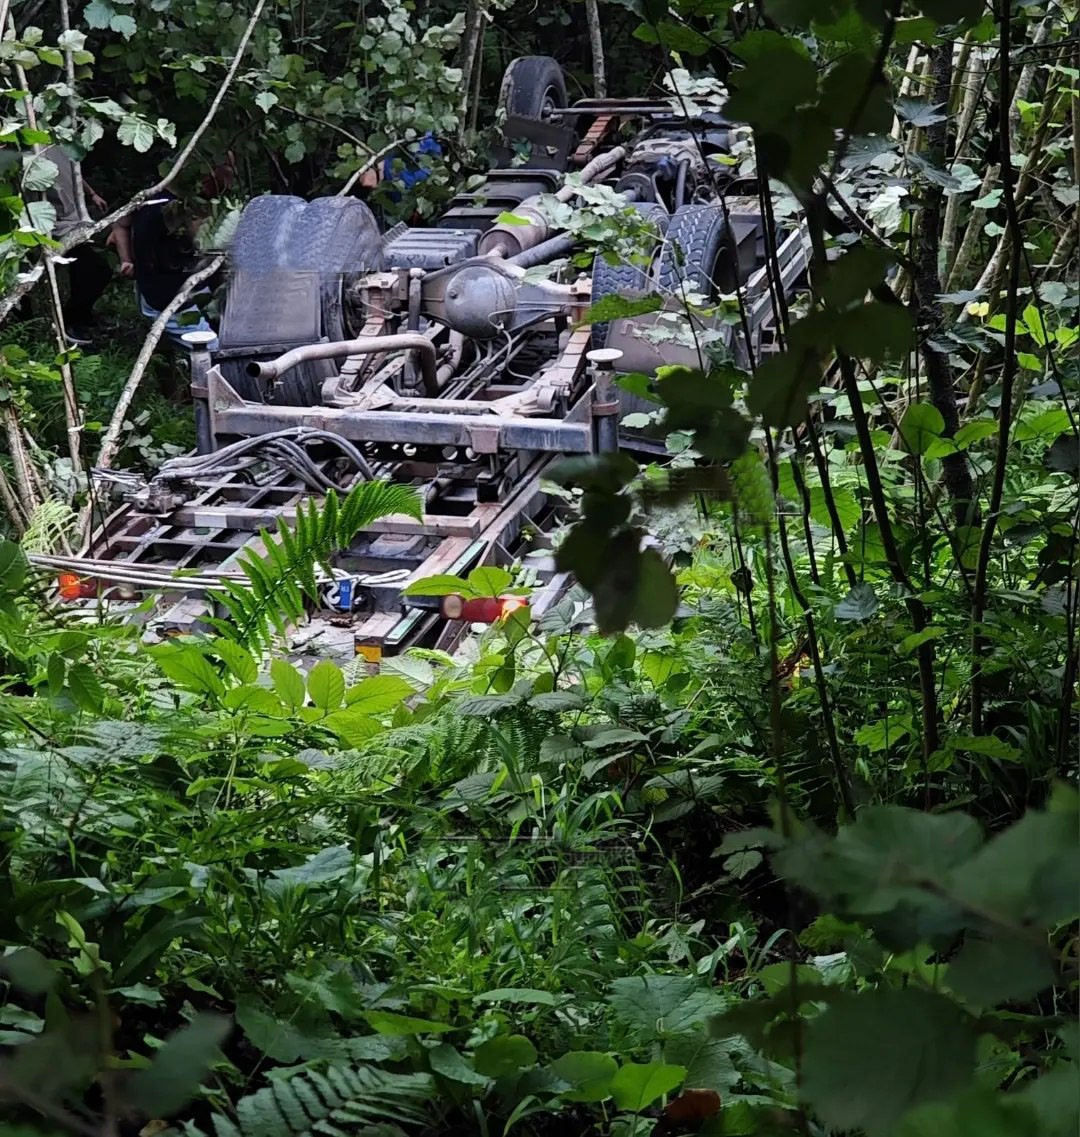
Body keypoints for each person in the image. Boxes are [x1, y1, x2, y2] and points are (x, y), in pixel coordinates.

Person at [109, 158, 235, 351]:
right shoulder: (160, 204)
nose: (230, 182)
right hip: (166, 299)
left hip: (195, 291)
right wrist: (127, 260)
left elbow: (119, 226)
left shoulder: (154, 198)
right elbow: (118, 226)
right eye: (225, 172)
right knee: (214, 355)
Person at [42, 143, 112, 346]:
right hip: (53, 225)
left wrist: (91, 194)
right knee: (97, 271)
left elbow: (74, 171)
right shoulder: (26, 148)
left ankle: (81, 318)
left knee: (86, 272)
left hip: (74, 220)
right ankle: (68, 322)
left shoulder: (57, 142)